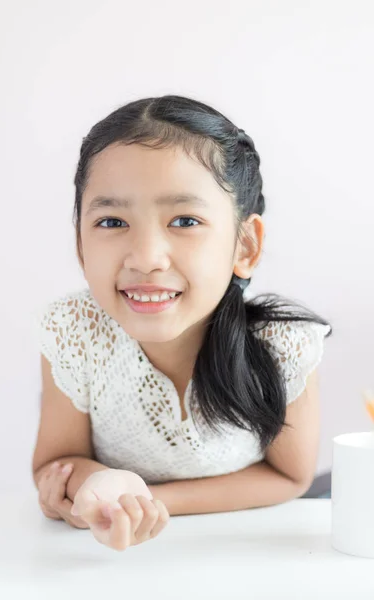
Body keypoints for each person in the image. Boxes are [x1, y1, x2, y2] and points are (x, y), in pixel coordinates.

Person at [32, 95, 332, 552]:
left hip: (247, 558)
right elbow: (56, 463)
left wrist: (148, 500)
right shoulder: (75, 332)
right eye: (112, 221)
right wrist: (95, 489)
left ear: (245, 247)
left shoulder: (283, 344)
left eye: (184, 220)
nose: (147, 258)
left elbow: (289, 476)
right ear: (80, 245)